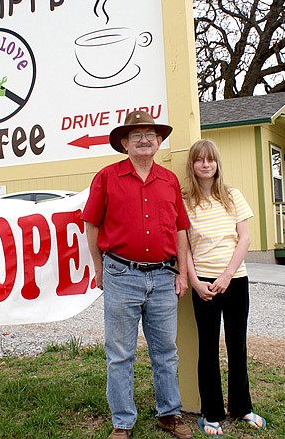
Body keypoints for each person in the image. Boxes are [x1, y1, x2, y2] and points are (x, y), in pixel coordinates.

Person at [82, 111, 193, 439]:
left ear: (159, 142)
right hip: (121, 274)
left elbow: (180, 229)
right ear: (125, 143)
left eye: (150, 135)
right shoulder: (106, 177)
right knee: (120, 354)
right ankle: (122, 422)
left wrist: (182, 273)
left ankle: (169, 413)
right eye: (136, 135)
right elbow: (91, 224)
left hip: (162, 278)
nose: (144, 140)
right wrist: (100, 269)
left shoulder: (169, 180)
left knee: (165, 351)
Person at [184, 139, 266, 436]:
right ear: (192, 165)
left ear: (217, 164)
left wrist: (228, 275)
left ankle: (242, 407)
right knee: (207, 348)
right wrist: (195, 282)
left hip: (235, 280)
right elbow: (185, 249)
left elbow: (244, 238)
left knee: (237, 345)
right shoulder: (185, 202)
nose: (205, 165)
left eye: (210, 160)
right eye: (199, 160)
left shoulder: (232, 196)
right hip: (203, 284)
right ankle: (212, 413)